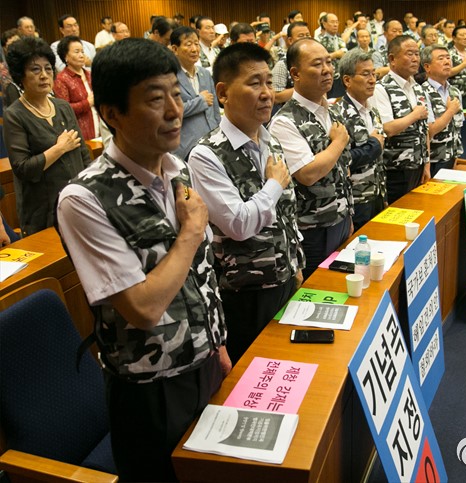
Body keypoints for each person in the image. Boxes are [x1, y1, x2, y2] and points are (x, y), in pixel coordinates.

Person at [56, 38, 230, 482]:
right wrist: (190, 233)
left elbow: (200, 277)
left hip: (207, 365)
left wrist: (218, 345)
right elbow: (143, 308)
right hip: (152, 390)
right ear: (112, 113)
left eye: (176, 94)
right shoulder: (84, 198)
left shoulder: (177, 170)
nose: (175, 111)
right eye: (155, 99)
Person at [188, 43, 304, 364]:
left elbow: (287, 213)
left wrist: (296, 264)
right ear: (223, 93)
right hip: (245, 295)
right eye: (254, 83)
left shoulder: (269, 139)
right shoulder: (206, 154)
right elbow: (238, 225)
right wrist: (273, 185)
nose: (267, 93)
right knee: (255, 376)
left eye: (268, 82)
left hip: (285, 280)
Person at [269, 38, 353, 279]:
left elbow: (343, 169)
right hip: (313, 229)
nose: (327, 70)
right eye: (317, 64)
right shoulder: (285, 121)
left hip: (340, 219)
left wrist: (348, 214)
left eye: (329, 62)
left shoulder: (332, 110)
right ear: (295, 73)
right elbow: (307, 173)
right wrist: (338, 143)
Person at [3, 37, 90, 236]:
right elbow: (23, 168)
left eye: (48, 69)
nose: (44, 75)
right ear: (21, 75)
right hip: (42, 211)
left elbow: (83, 155)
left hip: (77, 202)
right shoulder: (15, 115)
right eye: (35, 70)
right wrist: (59, 148)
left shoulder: (63, 107)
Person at [371, 35, 431, 203]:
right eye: (409, 54)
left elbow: (424, 128)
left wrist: (426, 163)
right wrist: (415, 115)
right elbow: (387, 128)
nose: (415, 59)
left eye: (417, 54)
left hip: (418, 165)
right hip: (396, 169)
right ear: (392, 59)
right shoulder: (381, 89)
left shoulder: (417, 87)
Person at [331, 48, 386, 229]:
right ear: (347, 80)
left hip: (377, 194)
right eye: (365, 74)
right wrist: (373, 146)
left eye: (374, 74)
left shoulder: (373, 110)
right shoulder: (337, 114)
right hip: (355, 200)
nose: (372, 80)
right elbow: (340, 159)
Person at [170, 26, 220, 159]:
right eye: (188, 44)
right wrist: (200, 101)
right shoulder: (170, 77)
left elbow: (214, 108)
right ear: (175, 49)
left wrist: (218, 133)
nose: (194, 49)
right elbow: (172, 111)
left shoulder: (204, 73)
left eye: (196, 44)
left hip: (212, 142)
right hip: (187, 146)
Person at [421, 45, 464, 176]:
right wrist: (450, 111)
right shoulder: (422, 92)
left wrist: (456, 157)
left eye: (448, 58)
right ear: (427, 67)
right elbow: (430, 131)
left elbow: (457, 129)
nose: (447, 62)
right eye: (441, 59)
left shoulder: (455, 91)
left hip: (452, 158)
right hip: (434, 161)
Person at [54, 35, 99, 140]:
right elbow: (63, 110)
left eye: (82, 51)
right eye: (76, 52)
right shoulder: (61, 79)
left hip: (99, 125)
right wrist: (87, 103)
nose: (81, 55)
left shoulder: (90, 74)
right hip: (80, 132)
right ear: (65, 56)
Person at [271, 22, 311, 106]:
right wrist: (307, 88)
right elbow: (276, 96)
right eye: (301, 36)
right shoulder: (282, 64)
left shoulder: (315, 62)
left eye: (308, 35)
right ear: (290, 40)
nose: (306, 39)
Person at [449, 25, 466, 107]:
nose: (465, 37)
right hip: (454, 94)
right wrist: (464, 64)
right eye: (462, 35)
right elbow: (447, 72)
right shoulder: (449, 53)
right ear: (454, 38)